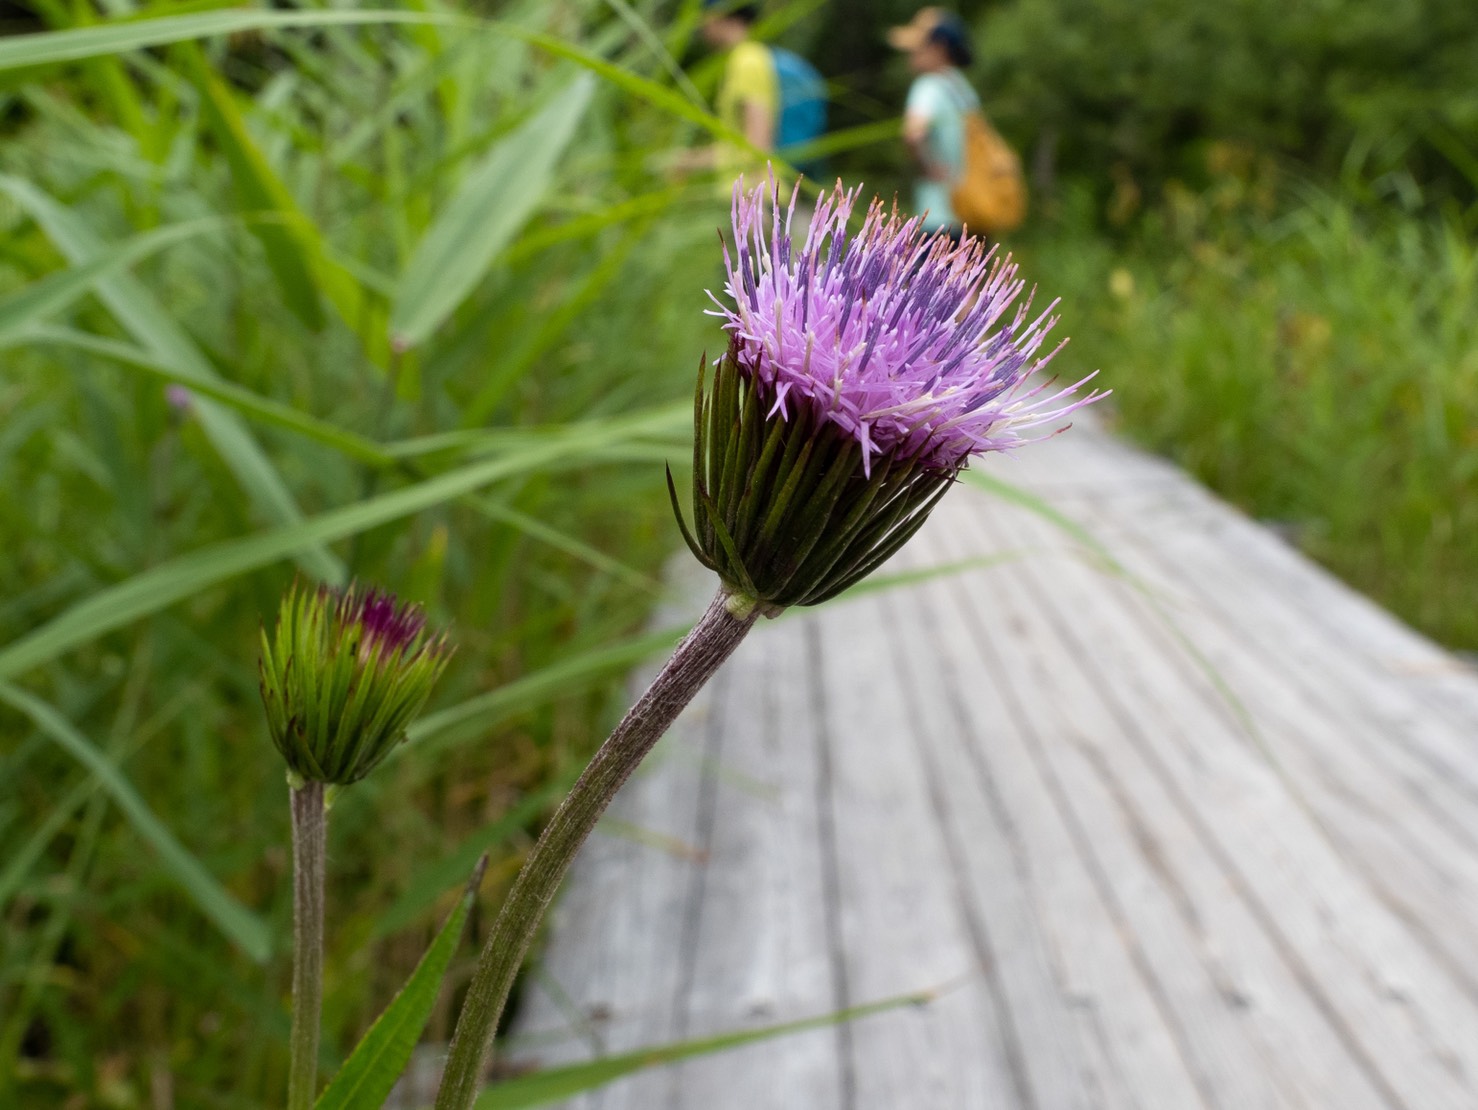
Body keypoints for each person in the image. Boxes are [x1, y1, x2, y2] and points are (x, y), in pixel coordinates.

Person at [887, 8, 980, 241]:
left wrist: (926, 167)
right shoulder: (963, 89)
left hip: (937, 219)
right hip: (972, 213)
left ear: (939, 47)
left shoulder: (927, 87)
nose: (910, 55)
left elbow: (913, 134)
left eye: (918, 47)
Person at [675, 1, 778, 183]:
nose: (701, 24)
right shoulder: (737, 60)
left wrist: (692, 161)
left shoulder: (748, 61)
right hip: (742, 192)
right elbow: (737, 145)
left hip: (754, 193)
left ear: (721, 14)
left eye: (705, 14)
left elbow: (757, 146)